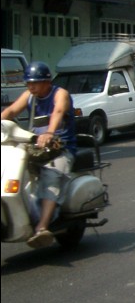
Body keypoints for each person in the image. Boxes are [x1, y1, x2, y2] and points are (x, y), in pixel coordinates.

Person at [1, 61, 78, 249]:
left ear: (47, 82)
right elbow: (11, 111)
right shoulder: (29, 96)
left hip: (61, 148)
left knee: (51, 176)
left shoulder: (60, 94)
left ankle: (42, 227)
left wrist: (50, 133)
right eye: (28, 83)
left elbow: (58, 111)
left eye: (35, 82)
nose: (31, 86)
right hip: (35, 146)